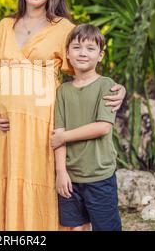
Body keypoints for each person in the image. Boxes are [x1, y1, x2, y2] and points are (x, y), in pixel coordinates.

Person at [0, 0, 126, 231]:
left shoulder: (63, 28)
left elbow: (86, 70)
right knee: (12, 178)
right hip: (9, 129)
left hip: (44, 124)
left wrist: (121, 88)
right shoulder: (3, 26)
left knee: (45, 183)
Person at [51, 24, 122, 231]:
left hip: (100, 176)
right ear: (67, 53)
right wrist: (60, 172)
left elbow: (103, 127)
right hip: (71, 178)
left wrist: (64, 137)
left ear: (100, 55)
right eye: (76, 47)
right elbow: (58, 131)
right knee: (76, 228)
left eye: (90, 49)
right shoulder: (62, 91)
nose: (83, 53)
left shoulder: (106, 85)